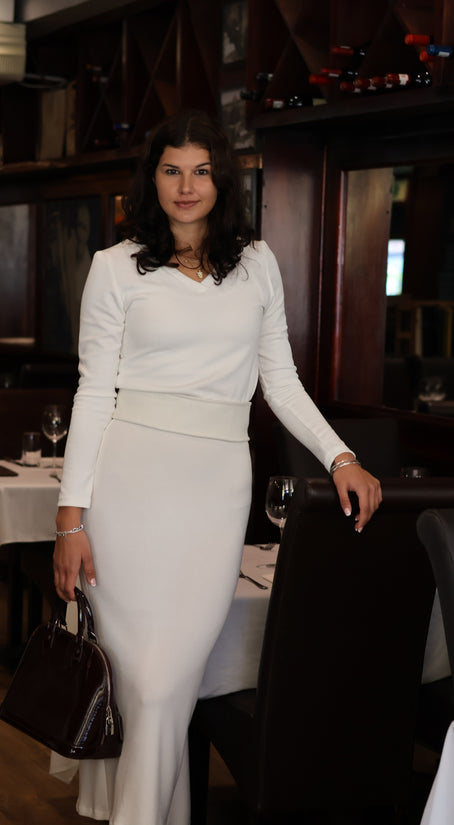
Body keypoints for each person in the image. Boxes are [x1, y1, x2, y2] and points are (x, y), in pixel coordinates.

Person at [52, 109, 382, 825]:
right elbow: (91, 393)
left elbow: (282, 381)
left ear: (221, 178)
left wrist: (341, 454)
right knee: (146, 689)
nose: (185, 184)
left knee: (170, 683)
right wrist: (71, 518)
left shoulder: (258, 264)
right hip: (127, 490)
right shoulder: (114, 269)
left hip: (214, 494)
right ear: (153, 178)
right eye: (171, 169)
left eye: (200, 169)